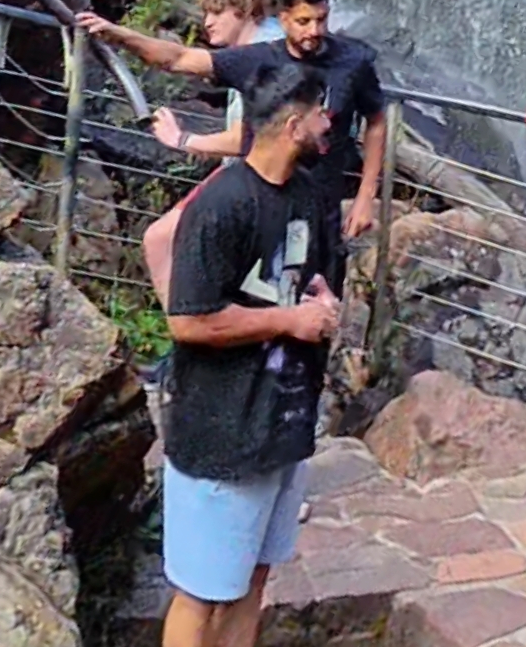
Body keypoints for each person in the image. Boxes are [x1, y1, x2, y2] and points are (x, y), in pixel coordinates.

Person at [159, 61, 347, 647]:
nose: (329, 122)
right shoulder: (222, 204)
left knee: (253, 581)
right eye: (319, 112)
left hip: (281, 425)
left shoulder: (309, 195)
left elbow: (311, 281)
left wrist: (324, 301)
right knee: (200, 592)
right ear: (292, 126)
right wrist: (290, 320)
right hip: (221, 432)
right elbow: (188, 320)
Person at [84, 0, 390, 245]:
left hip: (320, 201)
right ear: (283, 18)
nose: (314, 31)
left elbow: (376, 121)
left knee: (316, 280)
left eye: (321, 20)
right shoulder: (256, 58)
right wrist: (119, 35)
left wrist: (366, 195)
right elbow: (179, 58)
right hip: (259, 196)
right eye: (303, 21)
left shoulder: (353, 60)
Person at [133, 0, 276, 307]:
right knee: (163, 240)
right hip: (243, 176)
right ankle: (193, 328)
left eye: (216, 12)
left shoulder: (265, 52)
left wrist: (184, 140)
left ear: (244, 9)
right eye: (205, 13)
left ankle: (193, 328)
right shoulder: (256, 48)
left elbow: (249, 138)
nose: (207, 22)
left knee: (162, 240)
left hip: (258, 182)